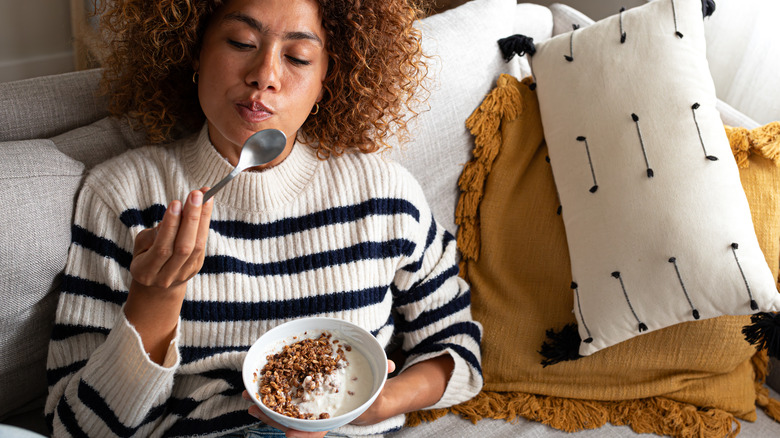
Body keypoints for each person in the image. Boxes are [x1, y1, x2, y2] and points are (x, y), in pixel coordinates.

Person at [45, 0, 483, 436]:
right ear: (194, 50)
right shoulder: (123, 196)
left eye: (298, 57)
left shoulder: (384, 195)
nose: (265, 75)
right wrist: (154, 303)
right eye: (241, 42)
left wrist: (376, 402)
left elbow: (457, 348)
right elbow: (75, 430)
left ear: (327, 77)